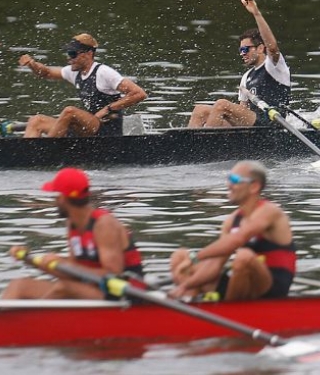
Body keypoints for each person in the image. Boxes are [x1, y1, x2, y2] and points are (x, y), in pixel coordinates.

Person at [1, 167, 144, 300]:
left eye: (55, 195)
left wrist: (64, 263)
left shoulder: (104, 224)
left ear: (63, 198)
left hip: (124, 294)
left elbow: (113, 274)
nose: (54, 200)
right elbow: (74, 275)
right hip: (93, 289)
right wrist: (30, 260)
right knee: (20, 285)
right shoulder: (73, 224)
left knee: (64, 287)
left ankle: (27, 323)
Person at [169, 160, 296, 301]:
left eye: (235, 180)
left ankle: (230, 310)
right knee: (180, 256)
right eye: (229, 178)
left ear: (254, 186)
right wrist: (185, 285)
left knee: (244, 257)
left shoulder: (270, 211)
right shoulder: (231, 220)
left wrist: (196, 257)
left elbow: (237, 239)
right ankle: (188, 304)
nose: (229, 185)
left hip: (272, 286)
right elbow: (216, 263)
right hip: (244, 284)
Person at [188, 0, 291, 128]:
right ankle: (190, 145)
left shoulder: (274, 66)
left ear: (260, 48)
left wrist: (256, 13)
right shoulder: (246, 77)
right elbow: (242, 110)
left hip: (273, 125)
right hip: (253, 127)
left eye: (245, 49)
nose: (242, 53)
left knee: (221, 104)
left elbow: (272, 47)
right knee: (200, 110)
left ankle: (205, 145)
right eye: (240, 50)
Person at [18, 33, 147, 138]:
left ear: (89, 54)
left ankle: (46, 151)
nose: (69, 59)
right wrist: (31, 64)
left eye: (73, 54)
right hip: (87, 128)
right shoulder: (74, 72)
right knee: (36, 121)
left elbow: (139, 94)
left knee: (70, 111)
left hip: (106, 131)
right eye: (68, 54)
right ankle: (28, 154)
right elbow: (46, 73)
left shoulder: (104, 73)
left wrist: (108, 109)